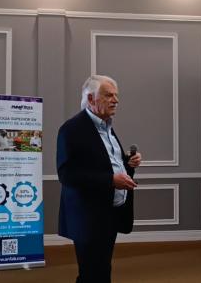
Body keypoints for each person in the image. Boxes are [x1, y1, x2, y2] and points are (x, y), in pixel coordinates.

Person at [57, 75, 142, 283]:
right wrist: (110, 181)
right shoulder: (72, 129)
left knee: (101, 269)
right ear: (91, 98)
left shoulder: (108, 127)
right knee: (92, 272)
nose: (115, 100)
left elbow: (107, 163)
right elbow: (67, 174)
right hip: (88, 216)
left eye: (116, 95)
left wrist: (128, 163)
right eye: (108, 95)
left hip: (109, 213)